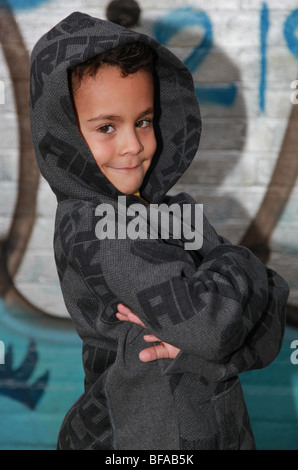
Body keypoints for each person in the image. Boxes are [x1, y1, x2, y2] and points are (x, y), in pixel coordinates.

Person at [29, 11, 289, 450]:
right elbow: (213, 326)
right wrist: (240, 262)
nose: (132, 144)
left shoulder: (158, 213)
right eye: (106, 127)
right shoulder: (103, 233)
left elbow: (269, 322)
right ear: (65, 133)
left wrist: (214, 353)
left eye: (143, 121)